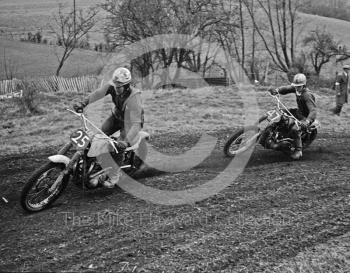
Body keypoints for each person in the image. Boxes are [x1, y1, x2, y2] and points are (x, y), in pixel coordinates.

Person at [73, 67, 144, 188]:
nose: (116, 88)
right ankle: (91, 165)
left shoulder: (134, 98)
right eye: (115, 85)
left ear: (127, 86)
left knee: (118, 146)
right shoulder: (113, 86)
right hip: (116, 117)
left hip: (130, 123)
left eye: (119, 86)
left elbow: (137, 123)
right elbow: (98, 94)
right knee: (98, 137)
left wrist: (126, 142)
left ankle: (114, 176)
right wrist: (83, 103)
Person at [269, 73, 317, 160]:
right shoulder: (296, 88)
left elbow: (313, 110)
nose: (296, 88)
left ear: (303, 85)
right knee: (278, 114)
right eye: (295, 86)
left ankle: (298, 151)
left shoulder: (307, 95)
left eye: (299, 86)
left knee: (295, 128)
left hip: (305, 118)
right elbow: (286, 89)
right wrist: (277, 90)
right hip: (298, 112)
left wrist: (307, 121)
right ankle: (271, 133)